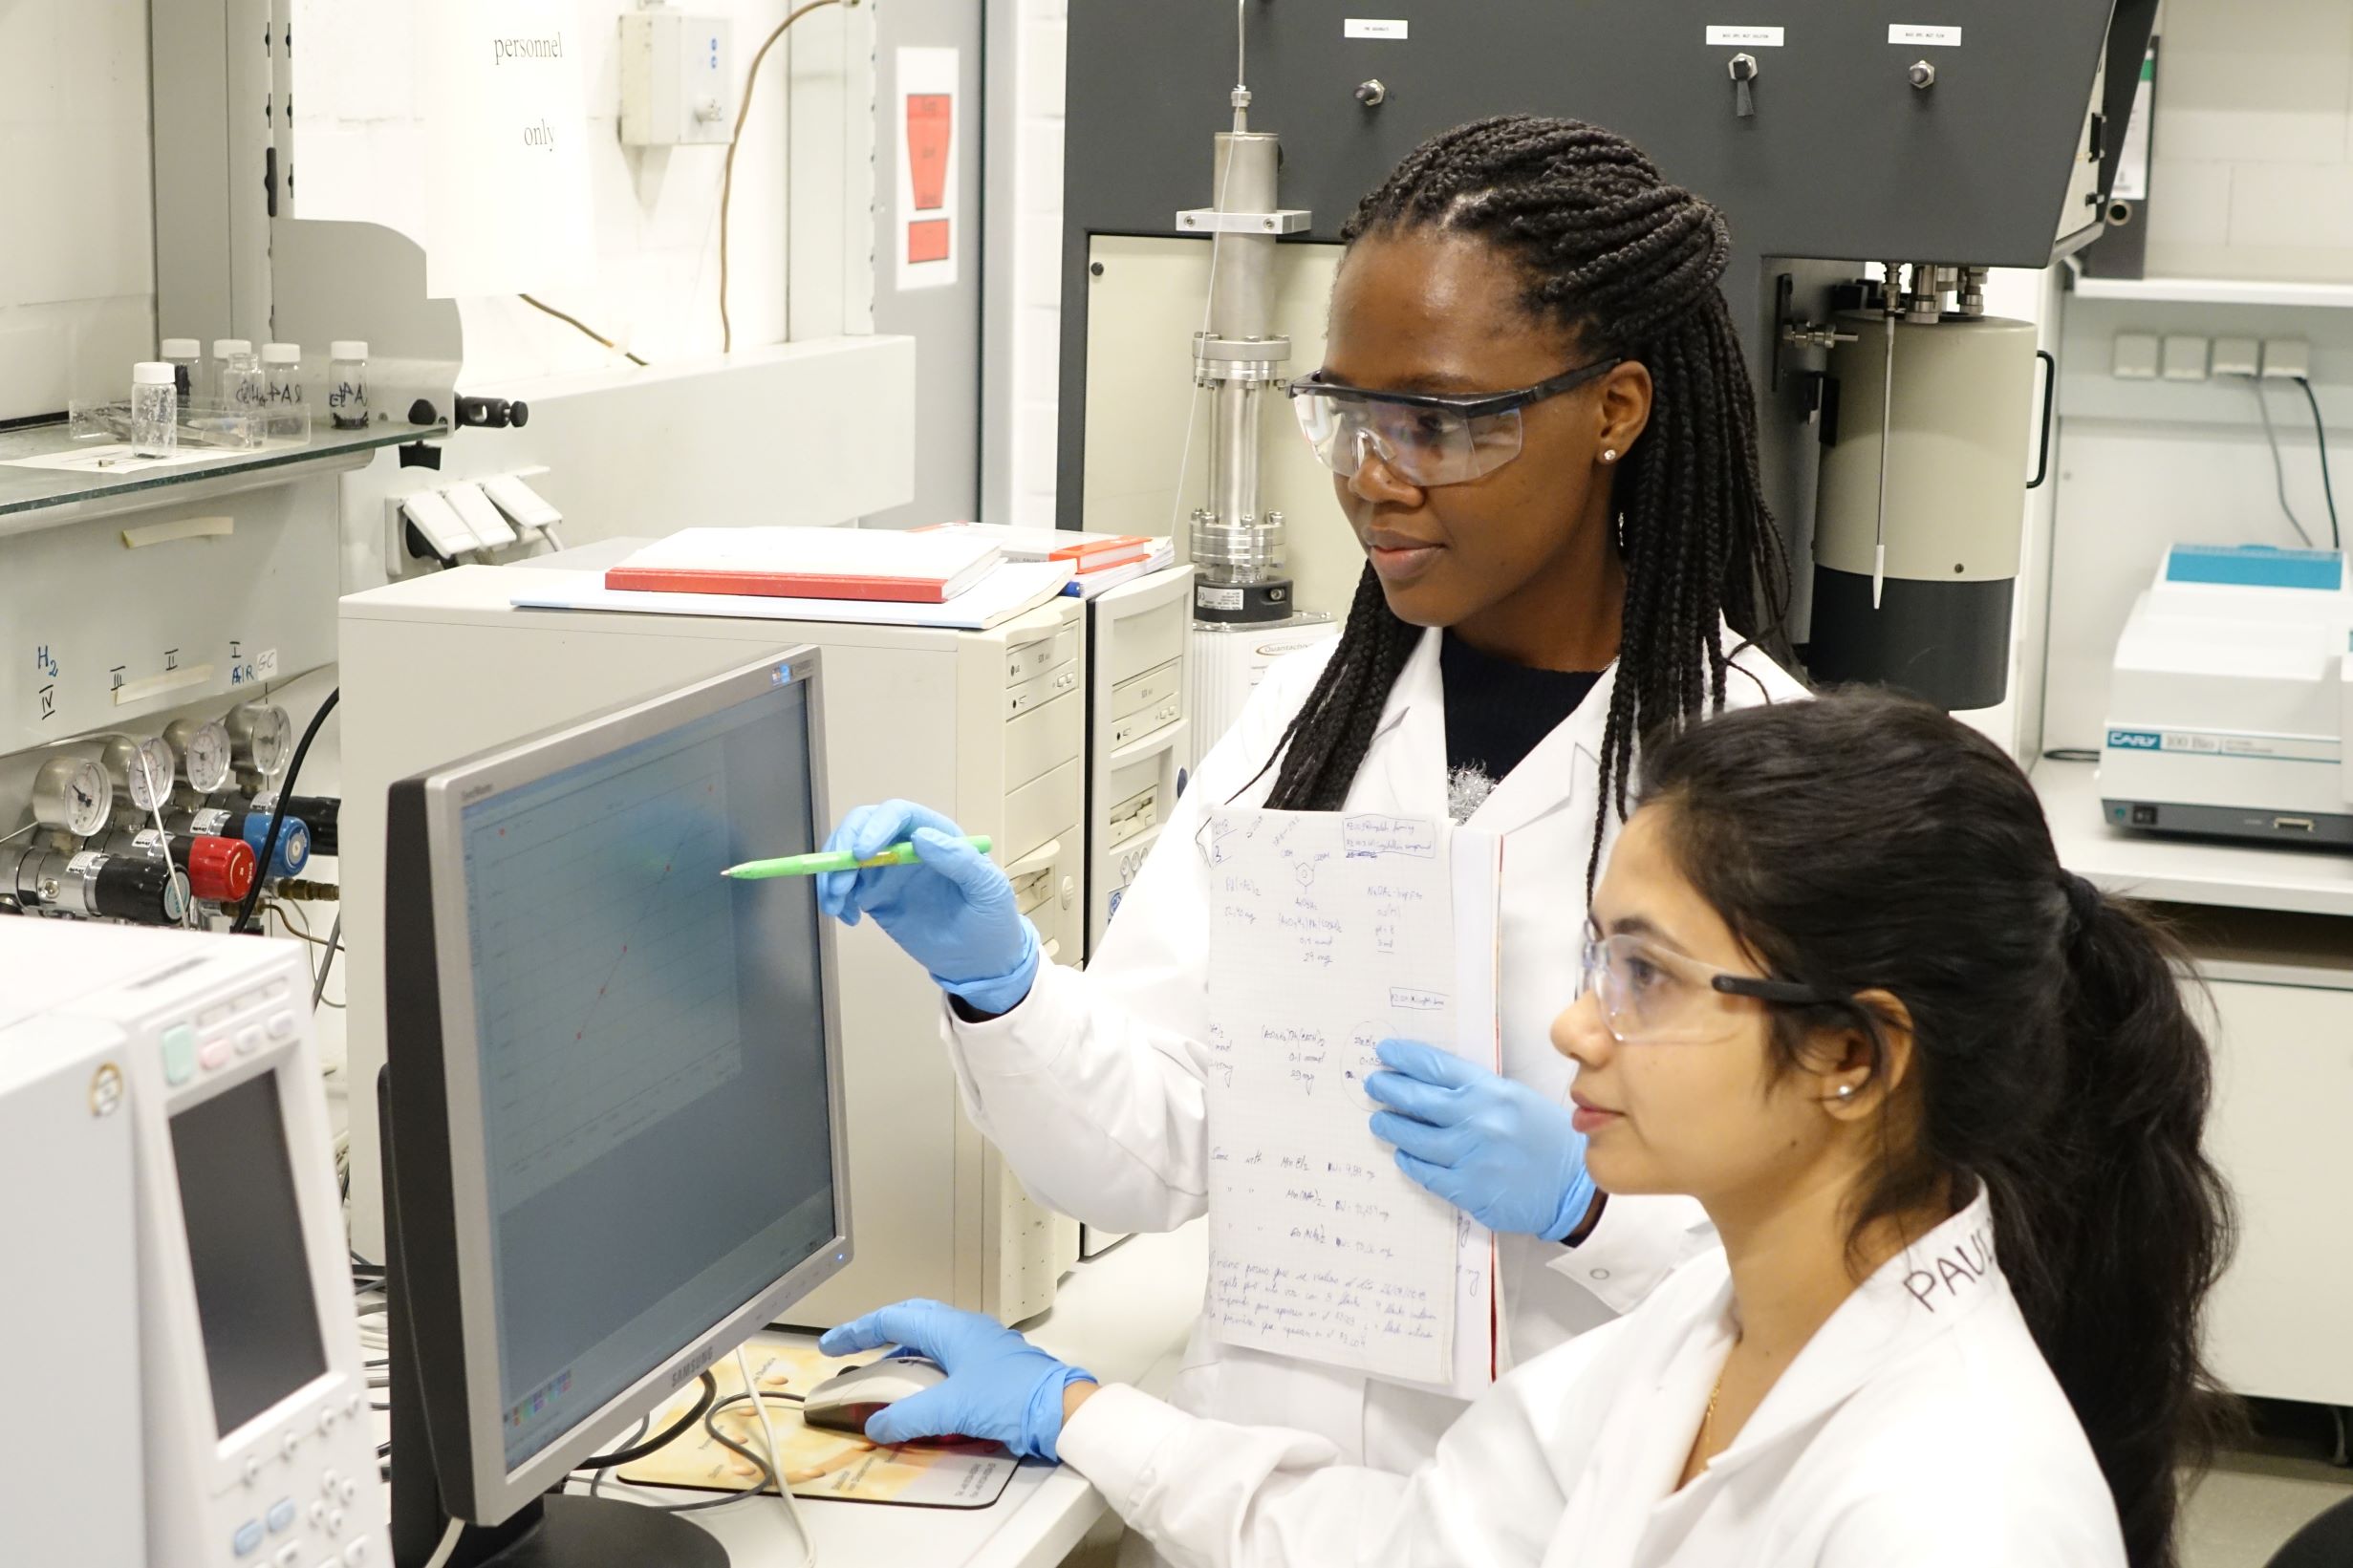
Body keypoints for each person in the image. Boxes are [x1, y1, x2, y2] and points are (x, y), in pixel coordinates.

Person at [820, 115, 1804, 1469]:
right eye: (1348, 416)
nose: (1374, 480)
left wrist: (1587, 1208)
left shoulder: (1766, 775)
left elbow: (1835, 1278)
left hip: (1580, 1512)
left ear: (1613, 412)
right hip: (1262, 1494)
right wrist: (998, 981)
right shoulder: (1304, 726)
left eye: (1443, 424)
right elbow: (1156, 1147)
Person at [822, 691, 2237, 1568]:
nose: (1572, 1026)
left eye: (1643, 974)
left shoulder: (1952, 1512)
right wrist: (1075, 1413)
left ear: (1850, 1056)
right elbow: (1404, 1547)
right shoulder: (1695, 1349)